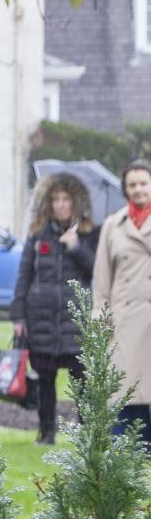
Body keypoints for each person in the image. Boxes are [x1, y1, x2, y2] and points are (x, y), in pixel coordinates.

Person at [12, 172, 99, 444]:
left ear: (76, 202)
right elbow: (24, 274)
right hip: (42, 318)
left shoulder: (89, 233)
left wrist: (75, 247)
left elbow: (97, 268)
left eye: (66, 199)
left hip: (75, 318)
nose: (61, 205)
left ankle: (85, 434)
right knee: (45, 378)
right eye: (56, 199)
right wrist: (18, 315)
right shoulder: (38, 234)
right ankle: (46, 432)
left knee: (82, 379)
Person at [91, 160, 151, 443]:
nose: (138, 189)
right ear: (125, 190)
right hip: (124, 324)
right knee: (125, 394)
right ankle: (125, 460)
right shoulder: (113, 226)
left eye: (143, 183)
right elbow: (102, 278)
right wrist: (100, 315)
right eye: (132, 185)